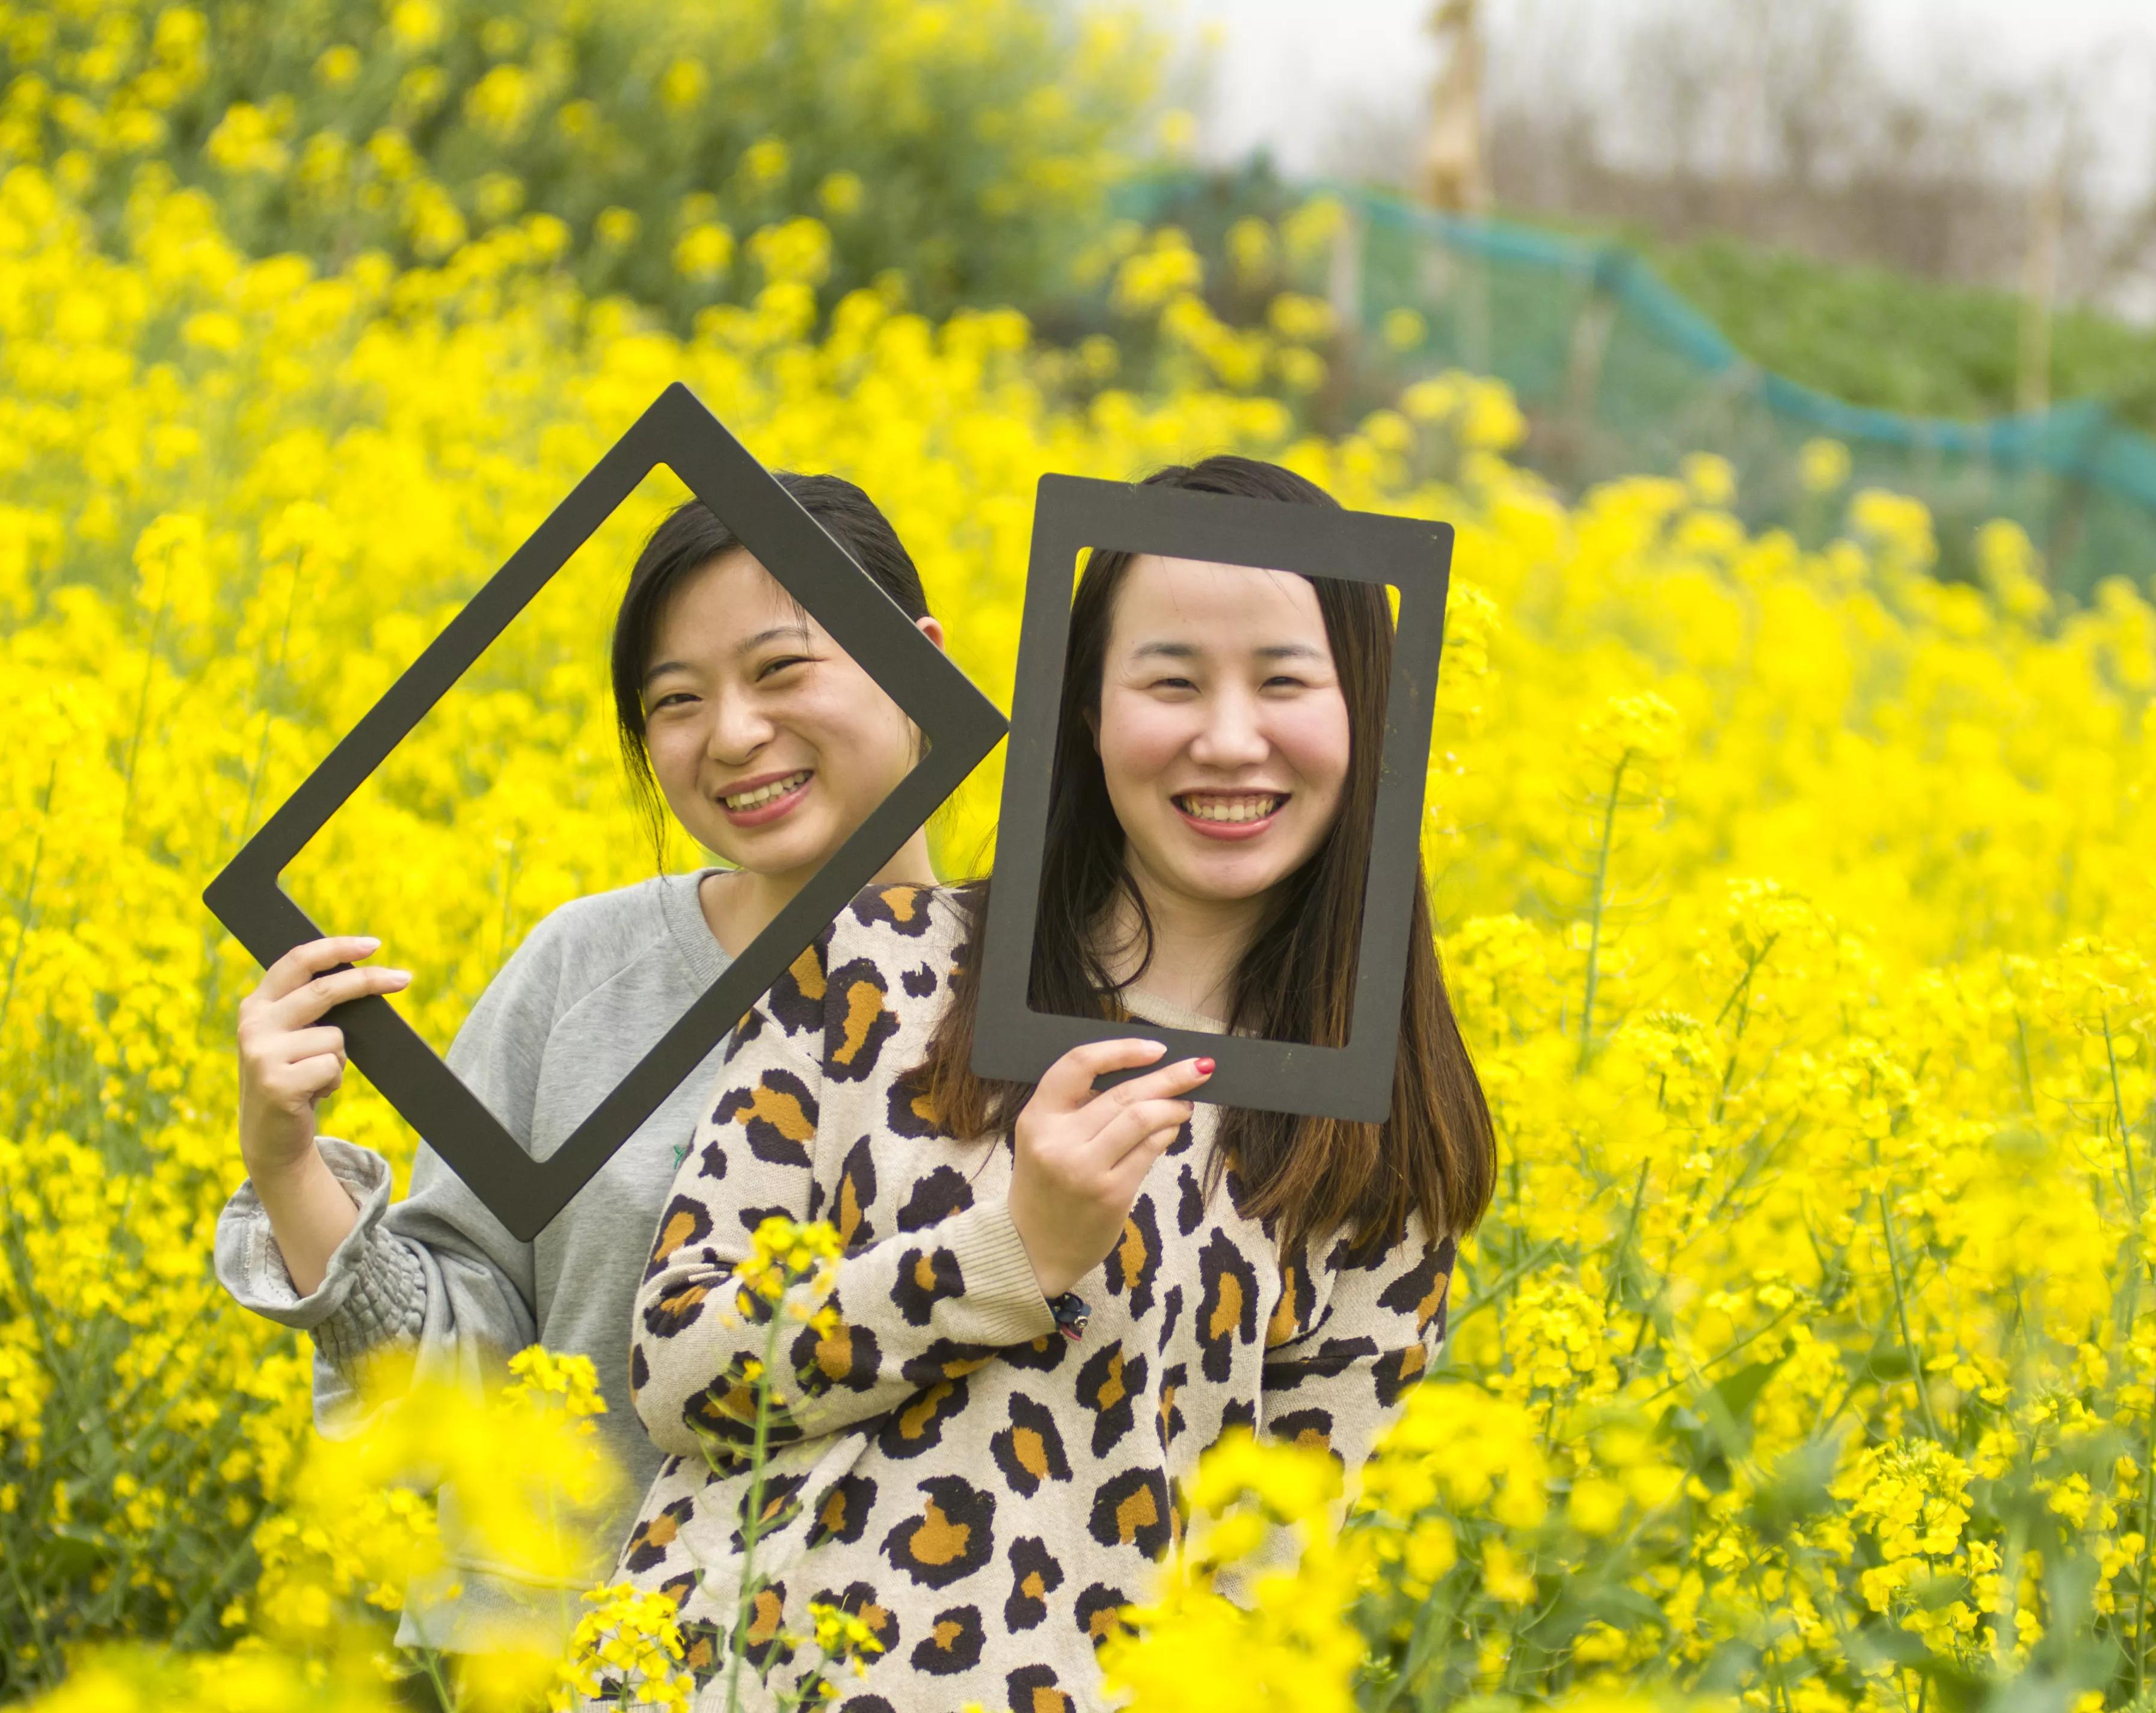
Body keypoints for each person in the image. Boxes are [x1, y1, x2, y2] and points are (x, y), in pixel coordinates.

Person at [614, 456, 1495, 1709]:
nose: (1227, 736)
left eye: (1286, 681)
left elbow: (1254, 1605)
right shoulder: (875, 964)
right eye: (1170, 679)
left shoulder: (1371, 1155)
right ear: (1086, 709)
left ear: (1371, 717)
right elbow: (680, 1370)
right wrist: (1006, 1253)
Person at [213, 476, 950, 1650]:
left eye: (778, 668)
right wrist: (287, 1158)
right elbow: (453, 1369)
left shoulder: (1045, 991)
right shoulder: (581, 966)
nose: (731, 734)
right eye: (674, 699)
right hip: (539, 1652)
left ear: (921, 663)